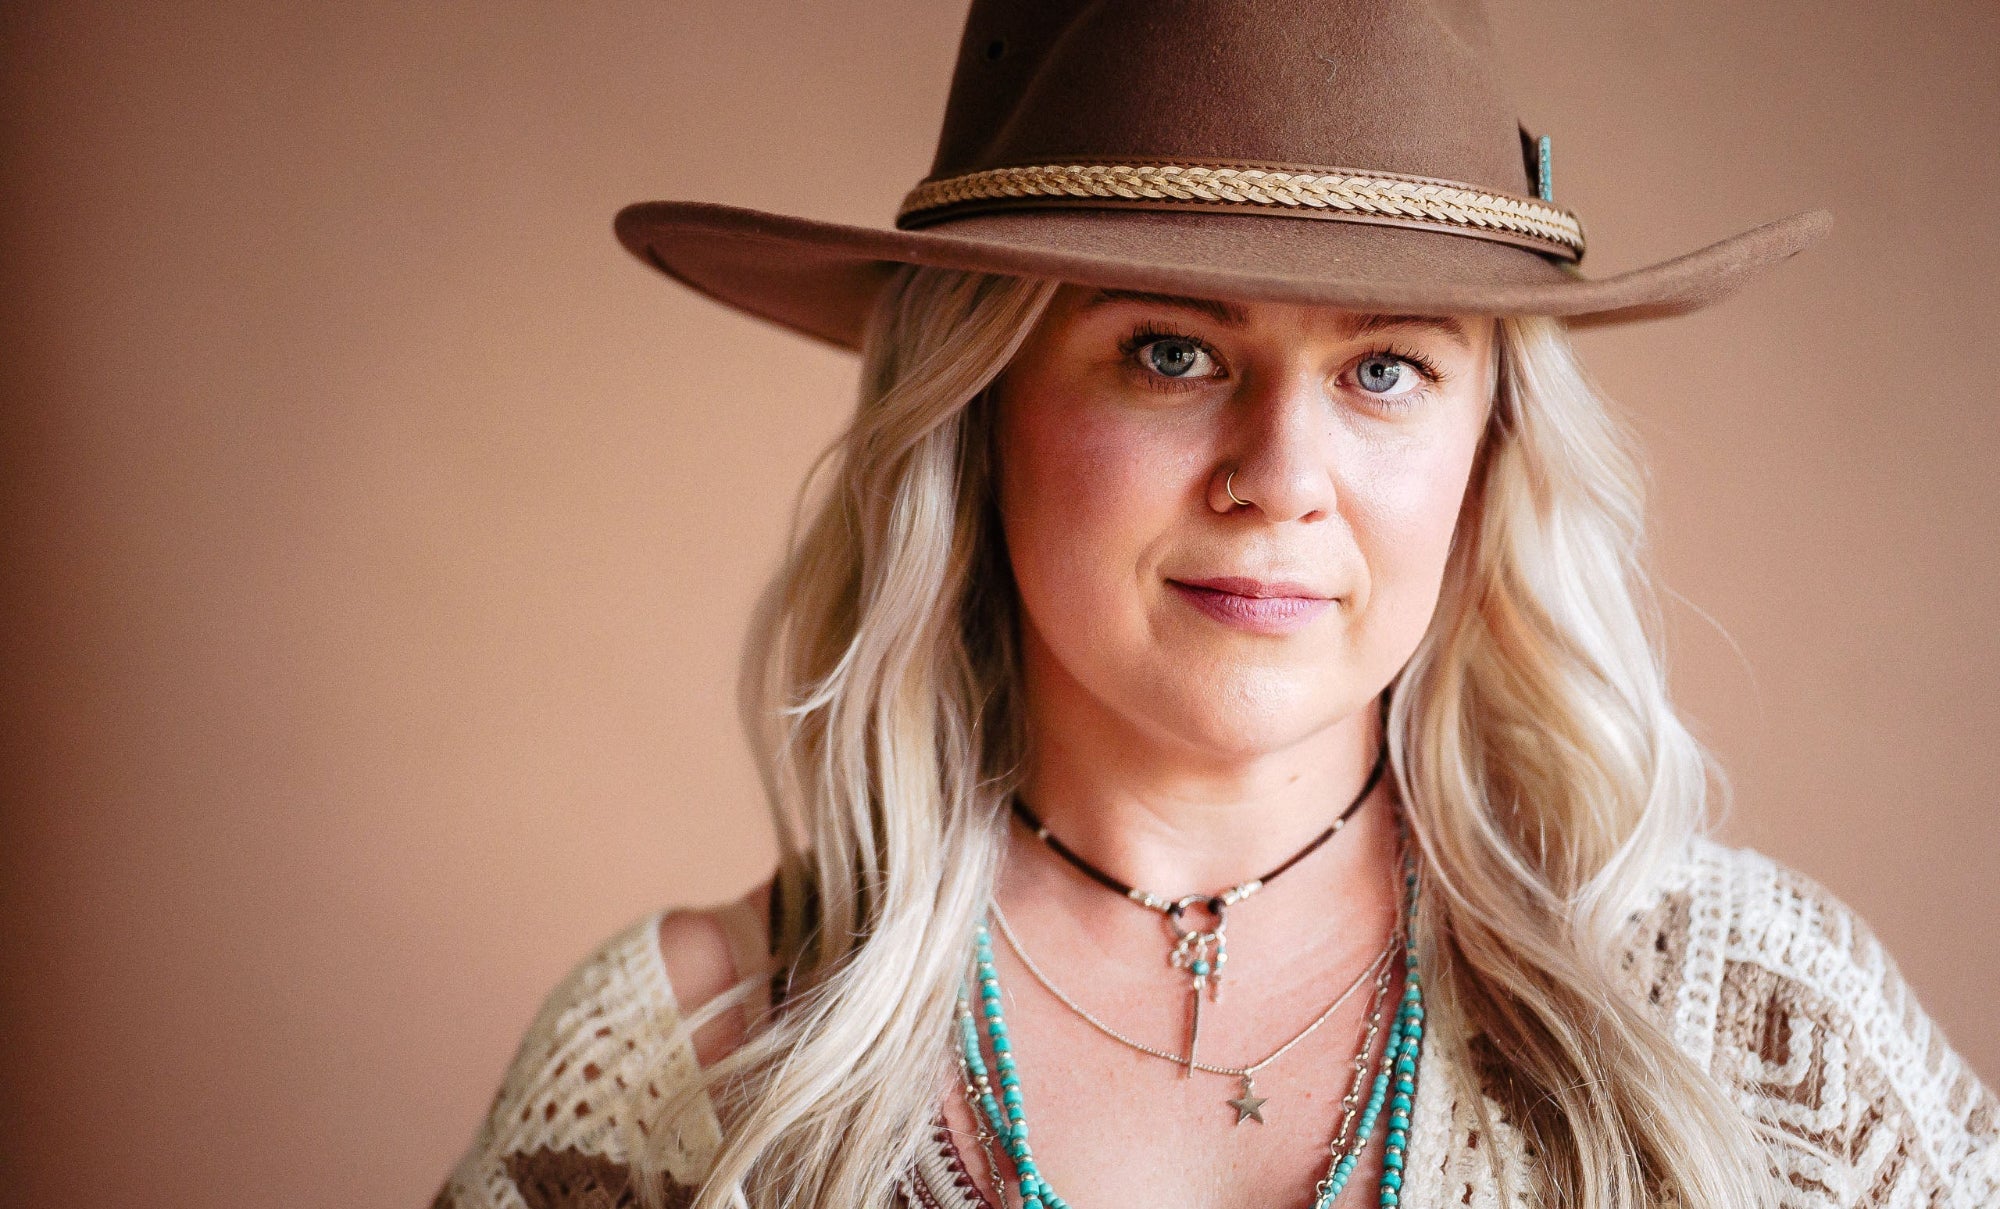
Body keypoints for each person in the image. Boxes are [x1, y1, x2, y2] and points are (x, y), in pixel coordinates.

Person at [431, 1, 1997, 1207]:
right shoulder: (687, 1067)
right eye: (1171, 350)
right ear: (977, 407)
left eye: (1386, 368)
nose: (1282, 473)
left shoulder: (1739, 1024)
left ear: (1487, 448)